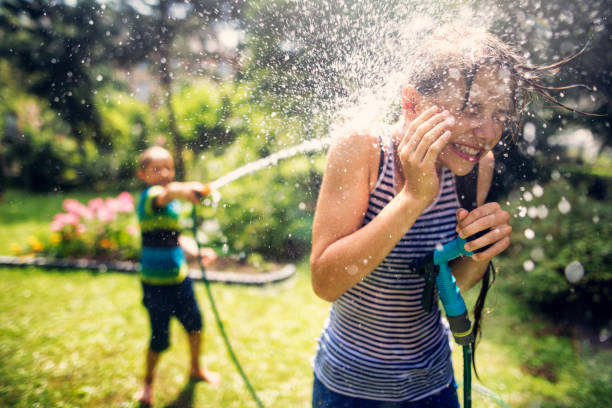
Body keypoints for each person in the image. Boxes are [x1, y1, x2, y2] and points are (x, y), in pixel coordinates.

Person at [309, 24, 584, 407]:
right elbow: (325, 283)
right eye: (472, 110)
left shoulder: (475, 167)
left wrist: (478, 252)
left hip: (433, 382)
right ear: (411, 102)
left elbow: (447, 285)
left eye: (499, 115)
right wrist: (412, 199)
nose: (487, 132)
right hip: (351, 385)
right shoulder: (363, 150)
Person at [136, 146, 220, 406]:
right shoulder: (151, 197)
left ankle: (195, 368)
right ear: (143, 174)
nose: (164, 173)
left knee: (195, 326)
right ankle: (148, 382)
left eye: (168, 167)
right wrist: (187, 189)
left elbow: (175, 238)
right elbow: (168, 192)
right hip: (156, 284)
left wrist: (196, 252)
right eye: (156, 168)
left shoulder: (171, 205)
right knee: (158, 339)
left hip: (180, 279)